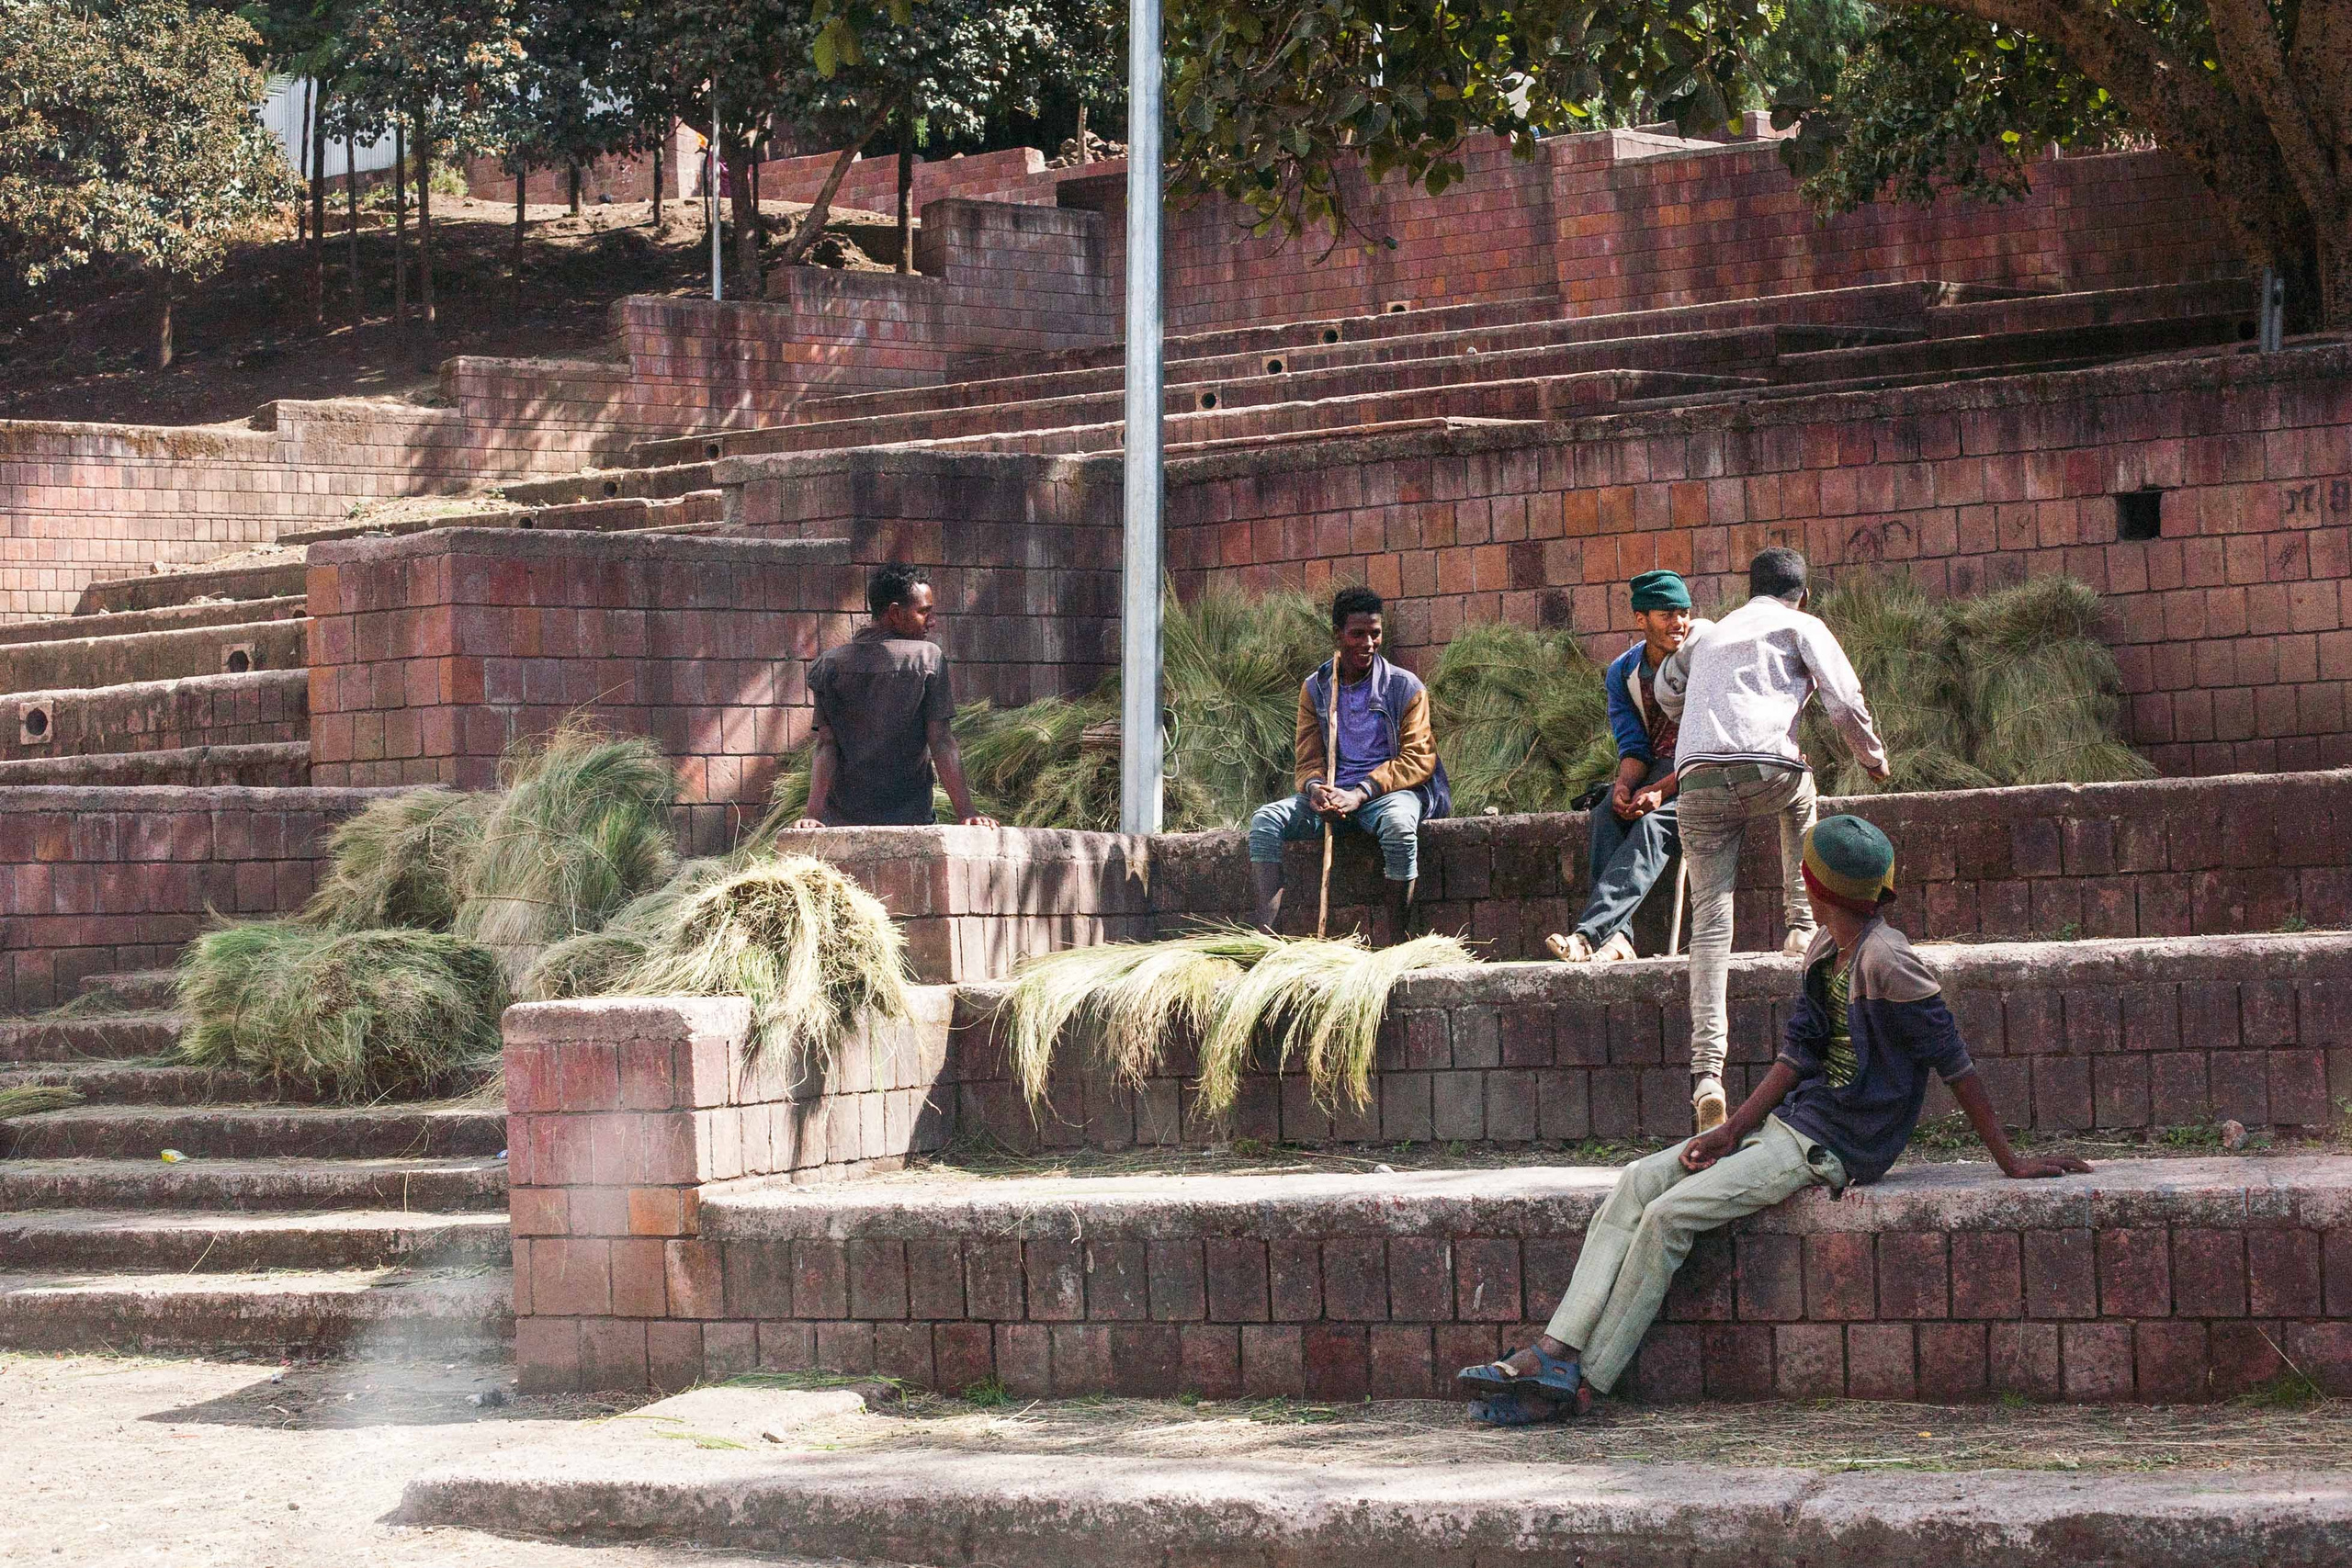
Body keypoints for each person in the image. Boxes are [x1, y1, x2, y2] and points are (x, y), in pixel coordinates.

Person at [1455, 816, 2091, 1425]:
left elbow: (1955, 1063)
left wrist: (2009, 1160)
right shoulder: (1825, 946)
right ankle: (1555, 1348)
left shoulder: (1889, 961)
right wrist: (1732, 1128)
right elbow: (1799, 1052)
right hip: (1788, 1121)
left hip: (1832, 1143)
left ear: (1815, 887)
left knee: (1668, 1216)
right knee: (1636, 1184)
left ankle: (1586, 1380)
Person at [1657, 547, 1888, 1134]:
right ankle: (1797, 922)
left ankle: (1708, 1074)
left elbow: (1665, 686)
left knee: (1710, 921)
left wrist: (1697, 704)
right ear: (1802, 594)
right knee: (1802, 785)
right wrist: (1874, 759)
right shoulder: (1801, 624)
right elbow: (1845, 699)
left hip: (1696, 775)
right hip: (1766, 768)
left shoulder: (1710, 635)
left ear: (1748, 589)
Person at [1247, 586, 1450, 947]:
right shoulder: (1317, 688)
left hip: (1387, 794)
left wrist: (1360, 793)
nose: (1368, 643)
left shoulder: (1406, 688)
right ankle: (1265, 940)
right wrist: (1315, 790)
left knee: (1401, 827)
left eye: (1376, 633)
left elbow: (1419, 760)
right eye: (1357, 634)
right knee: (1265, 822)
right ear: (1337, 634)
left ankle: (1394, 943)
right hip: (1334, 797)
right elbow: (1308, 760)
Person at [1545, 570, 1694, 966]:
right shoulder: (1623, 672)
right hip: (1658, 768)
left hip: (1702, 772)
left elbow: (1710, 747)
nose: (1678, 623)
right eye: (1666, 614)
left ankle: (1590, 934)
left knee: (1653, 825)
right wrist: (1625, 787)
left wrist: (1661, 791)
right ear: (1640, 619)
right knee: (1607, 812)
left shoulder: (1700, 659)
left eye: (1683, 612)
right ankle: (1620, 939)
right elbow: (1634, 747)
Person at [792, 563, 998, 829]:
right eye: (924, 612)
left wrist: (813, 816)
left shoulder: (828, 665)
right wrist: (967, 812)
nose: (932, 621)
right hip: (912, 817)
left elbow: (826, 746)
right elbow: (941, 740)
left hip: (843, 820)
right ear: (895, 614)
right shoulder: (928, 657)